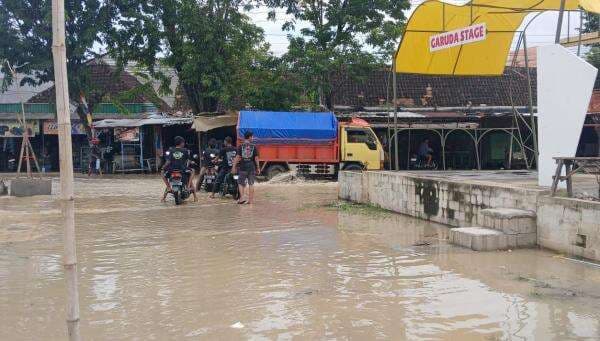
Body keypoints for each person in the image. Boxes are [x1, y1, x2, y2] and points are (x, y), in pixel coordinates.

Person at [161, 136, 197, 202]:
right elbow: (189, 160)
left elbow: (168, 162)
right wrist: (193, 162)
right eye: (183, 142)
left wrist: (163, 167)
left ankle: (166, 192)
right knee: (193, 171)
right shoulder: (185, 150)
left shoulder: (171, 150)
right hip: (182, 170)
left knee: (163, 173)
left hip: (172, 170)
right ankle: (192, 192)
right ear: (181, 143)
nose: (184, 144)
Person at [232, 131, 260, 204]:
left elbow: (238, 157)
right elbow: (256, 158)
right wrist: (258, 168)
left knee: (240, 183)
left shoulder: (240, 146)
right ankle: (250, 201)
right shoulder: (254, 146)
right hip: (251, 167)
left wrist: (234, 167)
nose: (253, 138)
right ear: (250, 137)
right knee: (251, 184)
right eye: (252, 137)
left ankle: (242, 198)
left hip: (243, 167)